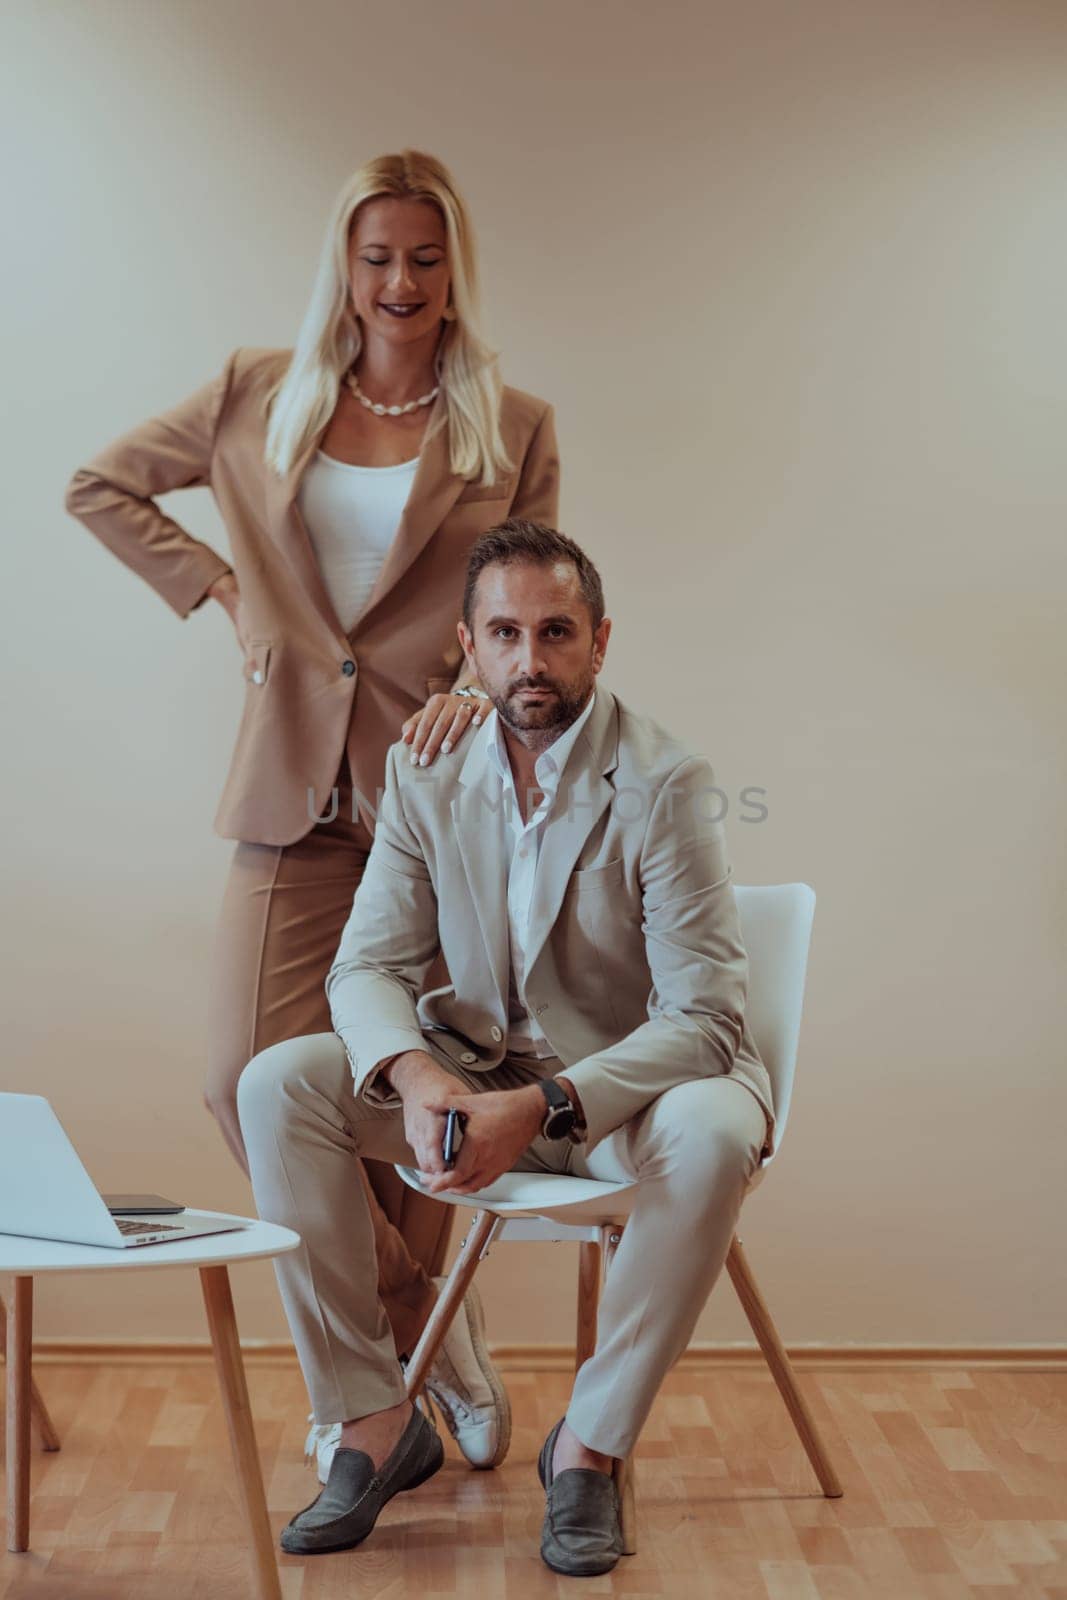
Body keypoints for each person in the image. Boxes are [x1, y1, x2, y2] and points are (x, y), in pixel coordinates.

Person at [62, 150, 560, 1470]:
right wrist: (225, 592)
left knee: (428, 1091)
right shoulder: (252, 392)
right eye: (375, 255)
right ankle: (418, 1333)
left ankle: (368, 1409)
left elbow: (531, 610)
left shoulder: (508, 424)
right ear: (343, 267)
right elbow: (98, 486)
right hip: (289, 782)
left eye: (422, 256)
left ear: (453, 270)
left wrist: (477, 682)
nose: (397, 282)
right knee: (242, 1076)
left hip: (443, 798)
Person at [237, 519, 776, 1575]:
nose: (530, 660)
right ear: (468, 647)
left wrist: (539, 1106)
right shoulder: (428, 768)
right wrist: (423, 1075)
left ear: (599, 641)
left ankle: (586, 1450)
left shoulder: (665, 780)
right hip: (474, 1079)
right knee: (278, 1084)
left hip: (628, 1102)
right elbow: (365, 970)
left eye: (555, 632)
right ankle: (372, 1423)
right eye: (505, 634)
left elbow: (706, 1018)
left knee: (716, 1130)